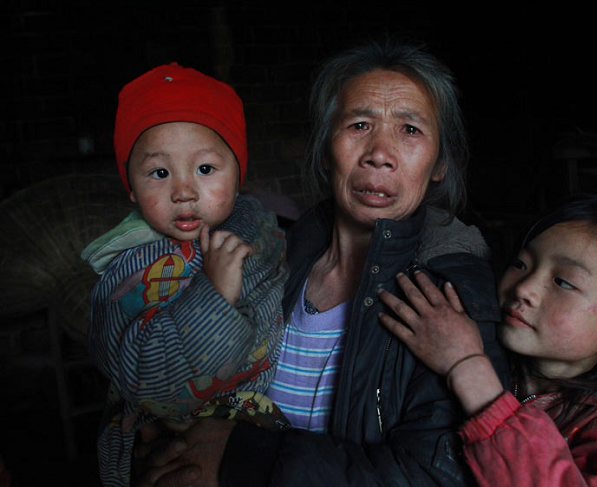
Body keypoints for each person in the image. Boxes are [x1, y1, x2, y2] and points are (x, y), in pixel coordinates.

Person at [134, 39, 509, 487]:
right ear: (326, 149)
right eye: (359, 125)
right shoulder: (271, 262)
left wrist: (240, 456)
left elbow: (436, 475)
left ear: (438, 165)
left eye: (410, 130)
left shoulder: (450, 293)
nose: (379, 153)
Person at [379, 194, 597, 486]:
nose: (525, 288)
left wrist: (467, 368)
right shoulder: (520, 371)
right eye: (521, 264)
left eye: (563, 282)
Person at [82, 63, 289, 487]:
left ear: (239, 174)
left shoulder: (259, 236)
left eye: (205, 169)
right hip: (168, 449)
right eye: (159, 173)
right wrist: (213, 295)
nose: (183, 191)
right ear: (131, 187)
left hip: (250, 439)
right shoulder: (130, 268)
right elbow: (148, 379)